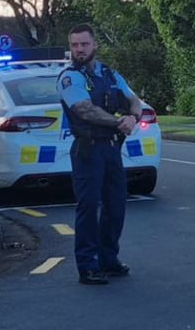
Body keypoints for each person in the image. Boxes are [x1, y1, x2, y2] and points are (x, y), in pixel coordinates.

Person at [57, 23, 144, 285]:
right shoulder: (70, 77)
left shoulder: (109, 73)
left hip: (111, 148)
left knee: (115, 206)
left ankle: (109, 259)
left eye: (84, 44)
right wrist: (119, 122)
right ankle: (88, 265)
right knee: (89, 207)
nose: (79, 49)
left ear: (95, 45)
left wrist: (133, 116)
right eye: (74, 45)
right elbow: (85, 110)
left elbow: (133, 99)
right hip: (88, 149)